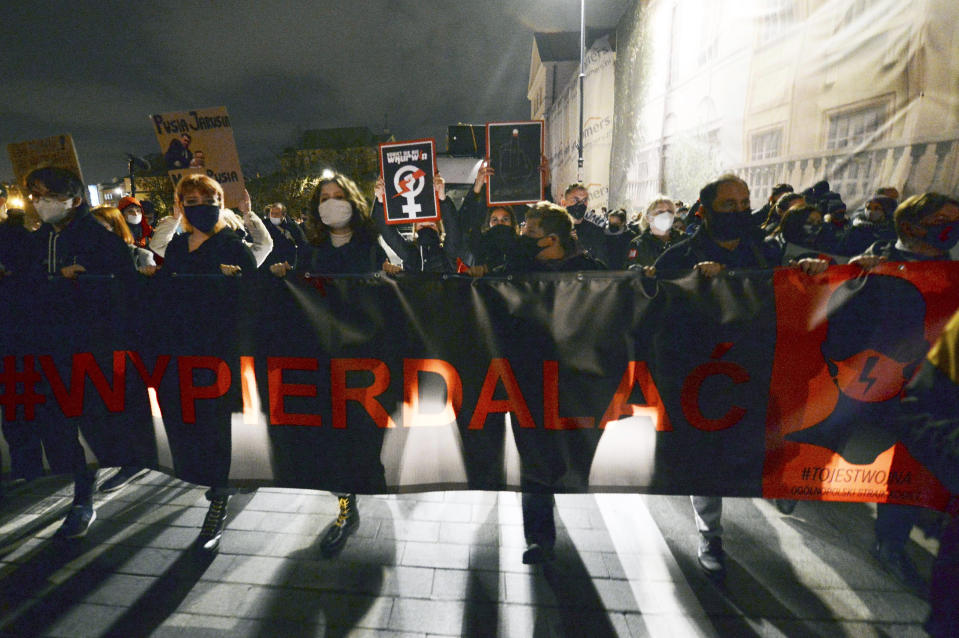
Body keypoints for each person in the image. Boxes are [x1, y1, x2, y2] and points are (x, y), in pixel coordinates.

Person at [655, 174, 827, 578]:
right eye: (728, 204)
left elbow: (795, 298)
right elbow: (653, 308)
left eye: (744, 202)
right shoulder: (679, 256)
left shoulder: (767, 253)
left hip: (755, 368)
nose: (738, 210)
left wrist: (807, 272)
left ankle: (779, 485)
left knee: (761, 439)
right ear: (705, 210)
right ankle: (710, 532)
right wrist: (689, 284)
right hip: (703, 373)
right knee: (707, 454)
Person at [269, 172, 386, 557]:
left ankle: (367, 480)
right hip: (325, 354)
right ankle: (345, 505)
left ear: (353, 200)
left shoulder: (373, 244)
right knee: (335, 431)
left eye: (338, 196)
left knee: (364, 429)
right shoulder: (311, 247)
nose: (331, 202)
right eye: (325, 197)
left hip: (368, 355)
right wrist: (284, 278)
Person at [24, 166, 137, 538]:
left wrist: (87, 280)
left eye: (47, 196)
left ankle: (82, 500)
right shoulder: (39, 238)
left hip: (90, 348)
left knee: (87, 421)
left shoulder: (98, 237)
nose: (39, 203)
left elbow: (126, 287)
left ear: (72, 200)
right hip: (49, 347)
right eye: (35, 195)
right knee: (59, 422)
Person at [146, 174, 256, 553]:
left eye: (206, 199)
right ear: (180, 205)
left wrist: (236, 283)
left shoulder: (235, 246)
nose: (199, 206)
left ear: (219, 201)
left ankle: (220, 494)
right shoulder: (177, 248)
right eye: (190, 200)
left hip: (219, 350)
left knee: (218, 420)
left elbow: (252, 300)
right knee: (189, 417)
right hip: (182, 348)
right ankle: (213, 477)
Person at [508, 201, 606, 564]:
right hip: (530, 376)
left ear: (551, 238)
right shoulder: (516, 269)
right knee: (533, 454)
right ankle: (539, 536)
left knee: (571, 447)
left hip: (576, 378)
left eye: (530, 233)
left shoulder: (591, 270)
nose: (523, 238)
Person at [372, 174, 456, 273]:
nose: (426, 229)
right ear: (415, 230)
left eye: (432, 225)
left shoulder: (447, 252)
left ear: (439, 230)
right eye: (421, 226)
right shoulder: (411, 253)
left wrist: (443, 198)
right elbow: (389, 235)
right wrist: (381, 200)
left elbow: (452, 228)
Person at [625, 197, 685, 268]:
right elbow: (630, 269)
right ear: (648, 218)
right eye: (660, 212)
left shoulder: (684, 240)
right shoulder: (638, 244)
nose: (666, 215)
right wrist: (642, 271)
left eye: (670, 212)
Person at [260, 202, 308, 272]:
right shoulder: (263, 225)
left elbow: (303, 246)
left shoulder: (293, 227)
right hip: (268, 267)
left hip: (287, 267)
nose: (274, 216)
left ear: (284, 214)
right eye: (272, 214)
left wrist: (294, 265)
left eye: (276, 214)